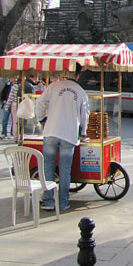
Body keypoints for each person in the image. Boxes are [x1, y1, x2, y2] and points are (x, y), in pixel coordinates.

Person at [36, 64, 89, 211]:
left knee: (48, 167)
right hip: (69, 134)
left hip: (51, 131)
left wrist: (42, 119)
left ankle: (48, 201)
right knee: (65, 169)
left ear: (66, 72)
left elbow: (39, 103)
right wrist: (83, 132)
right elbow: (85, 115)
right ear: (78, 75)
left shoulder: (53, 87)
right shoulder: (81, 92)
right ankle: (63, 202)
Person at [4, 78, 19, 143]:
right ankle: (19, 136)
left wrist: (7, 107)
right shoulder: (23, 86)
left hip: (15, 104)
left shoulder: (14, 87)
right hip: (22, 104)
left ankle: (15, 137)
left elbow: (10, 97)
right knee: (20, 122)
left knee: (15, 122)